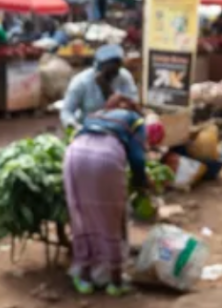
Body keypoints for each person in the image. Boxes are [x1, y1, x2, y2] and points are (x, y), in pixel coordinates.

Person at [63, 106, 156, 296]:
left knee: (82, 217)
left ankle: (84, 279)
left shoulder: (97, 113)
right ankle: (115, 282)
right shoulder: (137, 121)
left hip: (74, 155)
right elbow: (138, 160)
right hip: (106, 159)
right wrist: (141, 184)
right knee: (112, 220)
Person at [60, 44, 139, 129]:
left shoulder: (124, 76)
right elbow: (67, 111)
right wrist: (76, 127)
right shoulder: (81, 82)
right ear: (99, 68)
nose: (114, 74)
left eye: (117, 69)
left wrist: (107, 89)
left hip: (118, 128)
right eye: (109, 71)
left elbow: (133, 105)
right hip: (88, 129)